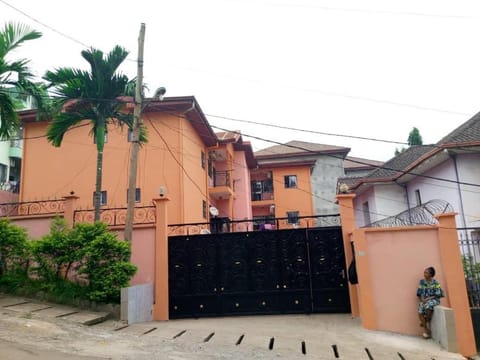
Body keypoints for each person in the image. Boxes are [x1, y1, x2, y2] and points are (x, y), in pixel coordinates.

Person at [417, 266, 444, 339]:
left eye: (426, 273)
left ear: (431, 274)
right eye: (424, 272)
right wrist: (422, 300)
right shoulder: (422, 282)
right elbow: (420, 292)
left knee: (428, 306)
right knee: (420, 311)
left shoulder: (436, 283)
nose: (424, 274)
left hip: (434, 300)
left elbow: (438, 294)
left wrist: (428, 299)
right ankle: (426, 329)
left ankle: (426, 321)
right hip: (424, 300)